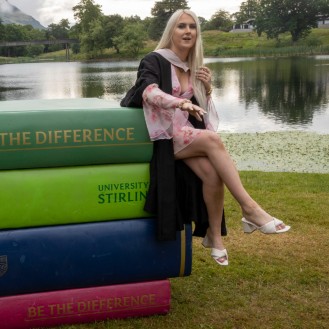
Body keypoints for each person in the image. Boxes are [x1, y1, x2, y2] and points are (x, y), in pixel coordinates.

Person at [121, 9, 290, 266]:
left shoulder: (193, 66)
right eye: (181, 26)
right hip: (160, 136)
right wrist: (179, 103)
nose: (188, 31)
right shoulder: (154, 60)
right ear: (171, 31)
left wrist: (207, 88)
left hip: (183, 135)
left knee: (212, 174)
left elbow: (203, 112)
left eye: (192, 26)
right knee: (213, 141)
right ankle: (249, 209)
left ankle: (215, 238)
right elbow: (148, 91)